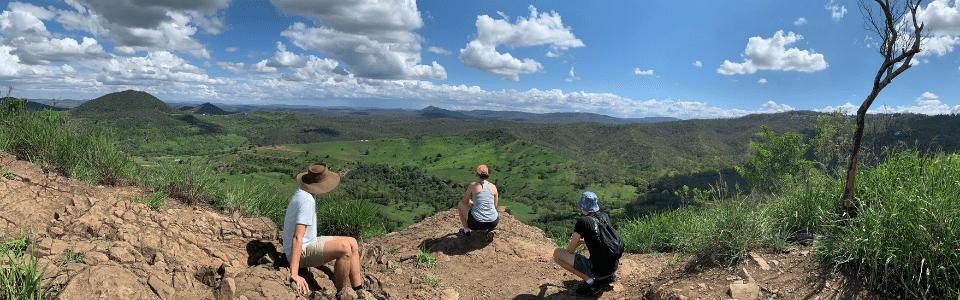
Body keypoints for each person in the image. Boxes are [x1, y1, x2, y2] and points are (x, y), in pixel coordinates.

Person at [283, 162, 363, 295]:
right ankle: (343, 294)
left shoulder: (305, 192)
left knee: (352, 242)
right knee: (345, 249)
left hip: (308, 242)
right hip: (300, 251)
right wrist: (294, 274)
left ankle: (358, 290)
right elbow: (297, 237)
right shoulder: (306, 200)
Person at [552, 191, 621, 295]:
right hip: (613, 268)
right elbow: (602, 240)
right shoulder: (604, 216)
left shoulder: (582, 222)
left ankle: (591, 283)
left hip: (598, 272)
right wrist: (583, 241)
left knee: (557, 254)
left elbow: (570, 250)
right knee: (601, 256)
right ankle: (609, 277)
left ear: (583, 206)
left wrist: (577, 243)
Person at [457, 164, 499, 241]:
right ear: (487, 174)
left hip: (476, 223)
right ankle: (490, 230)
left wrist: (471, 202)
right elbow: (494, 206)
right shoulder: (494, 187)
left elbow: (464, 201)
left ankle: (466, 232)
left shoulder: (473, 185)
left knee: (460, 204)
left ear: (477, 174)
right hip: (494, 221)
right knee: (490, 211)